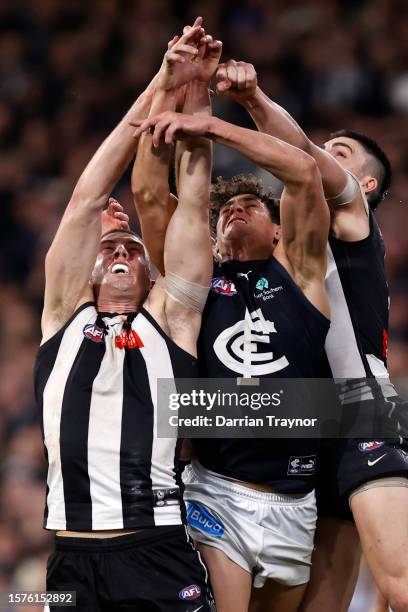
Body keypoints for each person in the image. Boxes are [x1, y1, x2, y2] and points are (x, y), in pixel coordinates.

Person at [214, 59, 408, 612]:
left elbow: (299, 153)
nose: (321, 155)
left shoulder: (352, 213)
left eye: (338, 153)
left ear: (365, 184)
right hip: (302, 422)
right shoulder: (280, 245)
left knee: (398, 588)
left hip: (359, 407)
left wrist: (249, 102)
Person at [34, 23, 216, 612]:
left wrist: (195, 99)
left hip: (155, 547)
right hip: (67, 557)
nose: (120, 252)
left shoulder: (172, 317)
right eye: (110, 249)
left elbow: (191, 199)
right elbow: (87, 197)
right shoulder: (62, 315)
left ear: (151, 275)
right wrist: (158, 85)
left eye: (132, 250)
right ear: (86, 272)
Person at [133, 100, 331, 611]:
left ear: (281, 230)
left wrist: (216, 125)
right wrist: (186, 97)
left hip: (297, 498)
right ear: (214, 235)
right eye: (225, 210)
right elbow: (153, 200)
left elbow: (305, 174)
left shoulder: (303, 275)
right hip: (217, 490)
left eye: (252, 205)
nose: (235, 210)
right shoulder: (197, 283)